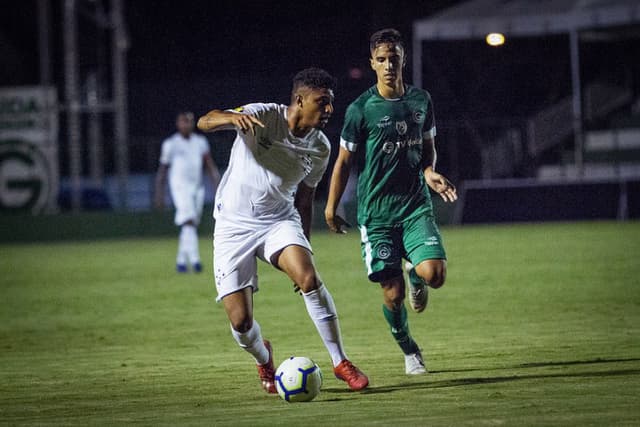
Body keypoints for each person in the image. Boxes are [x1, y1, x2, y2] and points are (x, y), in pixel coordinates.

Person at [196, 67, 369, 393]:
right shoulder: (262, 115)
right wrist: (231, 119)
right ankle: (263, 358)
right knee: (241, 323)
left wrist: (304, 246)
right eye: (322, 102)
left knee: (309, 278)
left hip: (279, 221)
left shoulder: (320, 147)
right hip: (233, 226)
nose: (329, 110)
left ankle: (340, 361)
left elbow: (305, 200)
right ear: (300, 100)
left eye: (331, 103)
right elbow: (204, 120)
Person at [324, 29, 457, 375]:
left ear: (403, 59)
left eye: (393, 58)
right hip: (378, 214)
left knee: (436, 275)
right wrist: (331, 206)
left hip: (415, 206)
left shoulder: (421, 101)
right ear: (372, 63)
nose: (388, 65)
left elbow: (428, 149)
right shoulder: (360, 109)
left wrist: (430, 172)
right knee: (392, 294)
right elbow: (343, 162)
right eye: (381, 59)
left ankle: (417, 274)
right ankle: (410, 350)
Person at [155, 111, 221, 273]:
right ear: (178, 124)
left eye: (189, 121)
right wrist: (159, 193)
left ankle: (181, 261)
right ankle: (195, 260)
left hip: (197, 187)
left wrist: (218, 185)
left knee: (190, 224)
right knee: (189, 221)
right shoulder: (171, 144)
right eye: (183, 121)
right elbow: (163, 170)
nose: (186, 124)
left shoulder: (200, 142)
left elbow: (209, 164)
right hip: (179, 187)